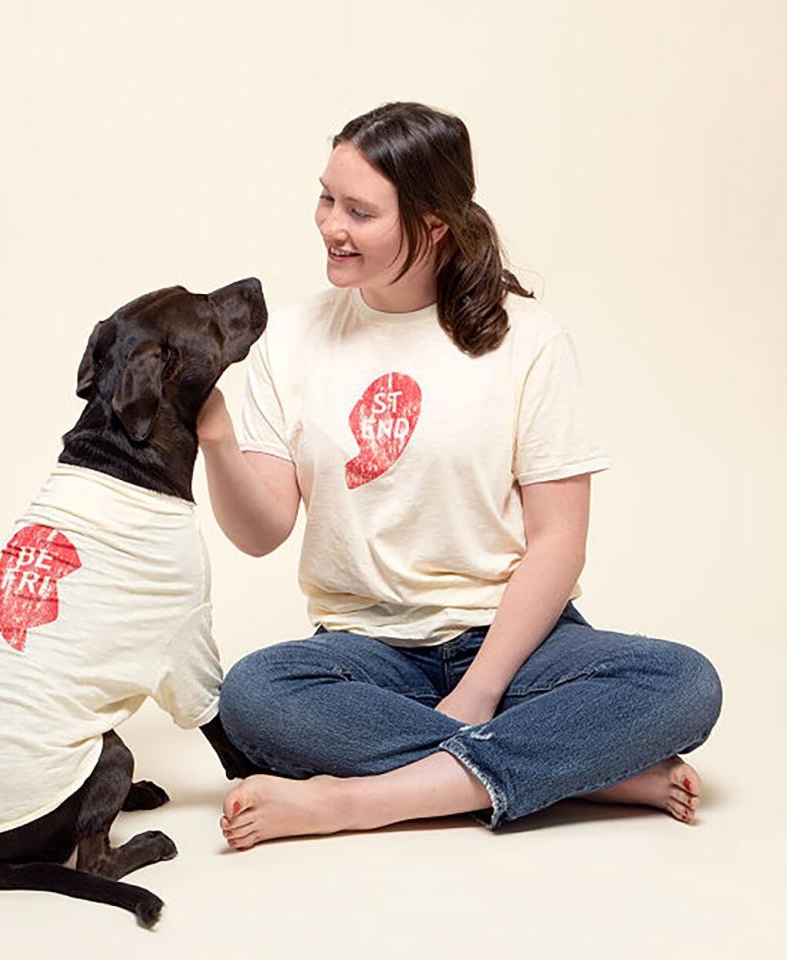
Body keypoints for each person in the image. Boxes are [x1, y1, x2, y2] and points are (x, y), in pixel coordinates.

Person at [196, 101, 723, 850]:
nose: (329, 225)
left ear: (434, 221)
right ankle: (585, 771)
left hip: (517, 643)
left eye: (360, 211)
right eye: (326, 197)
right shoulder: (293, 337)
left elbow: (558, 541)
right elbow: (261, 532)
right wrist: (215, 439)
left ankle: (362, 802)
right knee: (253, 696)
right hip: (365, 649)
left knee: (684, 683)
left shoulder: (527, 339)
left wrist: (479, 692)